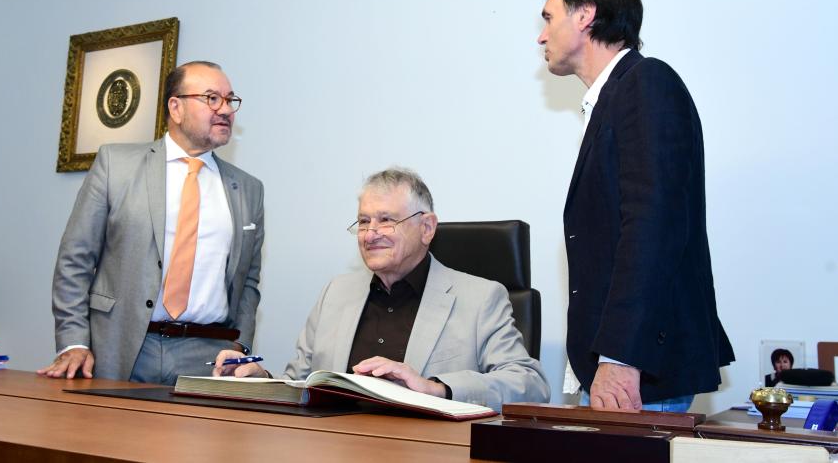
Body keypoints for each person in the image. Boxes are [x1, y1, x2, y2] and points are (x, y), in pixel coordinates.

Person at [537, 0, 734, 412]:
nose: (541, 36)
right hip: (623, 369)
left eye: (548, 18)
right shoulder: (615, 98)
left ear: (585, 15)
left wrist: (621, 356)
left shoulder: (646, 84)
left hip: (636, 373)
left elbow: (652, 228)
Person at [214, 168, 549, 412]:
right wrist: (260, 378)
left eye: (386, 220)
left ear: (427, 227)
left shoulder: (480, 298)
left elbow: (530, 385)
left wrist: (437, 388)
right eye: (363, 222)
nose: (370, 234)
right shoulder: (336, 294)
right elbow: (300, 382)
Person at [37, 61, 264, 384]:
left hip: (207, 355)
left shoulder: (249, 189)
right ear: (176, 107)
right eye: (212, 98)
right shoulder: (116, 165)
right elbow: (75, 259)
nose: (225, 109)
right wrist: (74, 341)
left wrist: (239, 345)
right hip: (121, 347)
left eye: (230, 100)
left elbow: (249, 281)